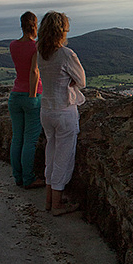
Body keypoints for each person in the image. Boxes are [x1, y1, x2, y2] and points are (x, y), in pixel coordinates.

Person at [36, 11, 85, 216]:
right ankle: (57, 205)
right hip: (64, 111)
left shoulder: (40, 52)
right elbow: (82, 81)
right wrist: (70, 81)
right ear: (61, 31)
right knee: (64, 157)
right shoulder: (66, 54)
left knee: (51, 153)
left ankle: (48, 200)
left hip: (46, 110)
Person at [7, 12, 44, 189]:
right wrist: (32, 94)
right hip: (31, 95)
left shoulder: (13, 45)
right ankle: (29, 179)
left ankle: (18, 177)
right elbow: (34, 71)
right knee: (30, 140)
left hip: (14, 95)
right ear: (35, 25)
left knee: (17, 139)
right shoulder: (36, 46)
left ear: (21, 25)